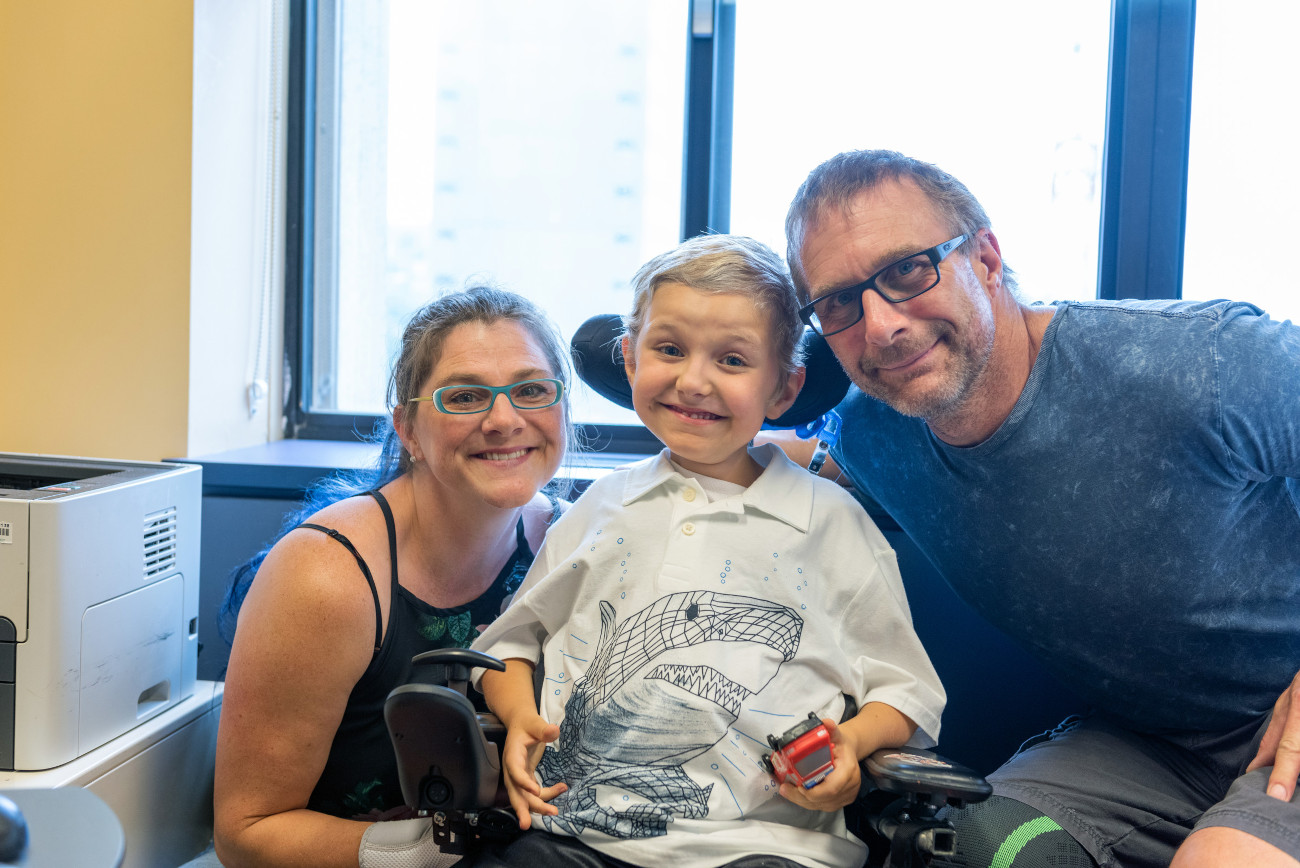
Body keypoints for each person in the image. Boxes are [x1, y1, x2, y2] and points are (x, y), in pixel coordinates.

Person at [776, 148, 1300, 868]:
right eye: (839, 302)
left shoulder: (1200, 361)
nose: (881, 325)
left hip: (1287, 719)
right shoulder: (875, 431)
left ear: (986, 258)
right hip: (1146, 747)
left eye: (907, 271)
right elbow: (788, 458)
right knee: (972, 852)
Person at [468, 234, 946, 868]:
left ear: (784, 388)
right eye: (669, 349)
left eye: (732, 360)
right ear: (630, 359)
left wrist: (851, 745)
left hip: (766, 848)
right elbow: (506, 646)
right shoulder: (600, 507)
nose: (693, 381)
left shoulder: (830, 522)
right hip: (573, 835)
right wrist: (519, 717)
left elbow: (907, 691)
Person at [207, 286, 574, 868]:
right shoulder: (328, 576)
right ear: (407, 429)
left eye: (531, 390)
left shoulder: (568, 542)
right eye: (465, 396)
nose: (505, 420)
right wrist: (421, 852)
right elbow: (245, 834)